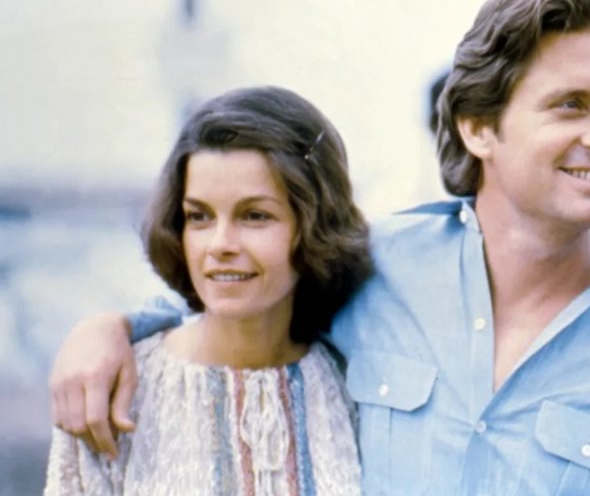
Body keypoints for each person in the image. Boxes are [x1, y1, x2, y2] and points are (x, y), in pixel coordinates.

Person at [49, 0, 590, 495]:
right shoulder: (375, 270)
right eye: (571, 105)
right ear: (478, 127)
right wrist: (111, 330)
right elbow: (239, 304)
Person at [44, 86, 370, 495]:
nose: (220, 245)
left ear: (314, 225)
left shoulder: (356, 387)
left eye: (255, 215)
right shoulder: (114, 388)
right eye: (199, 216)